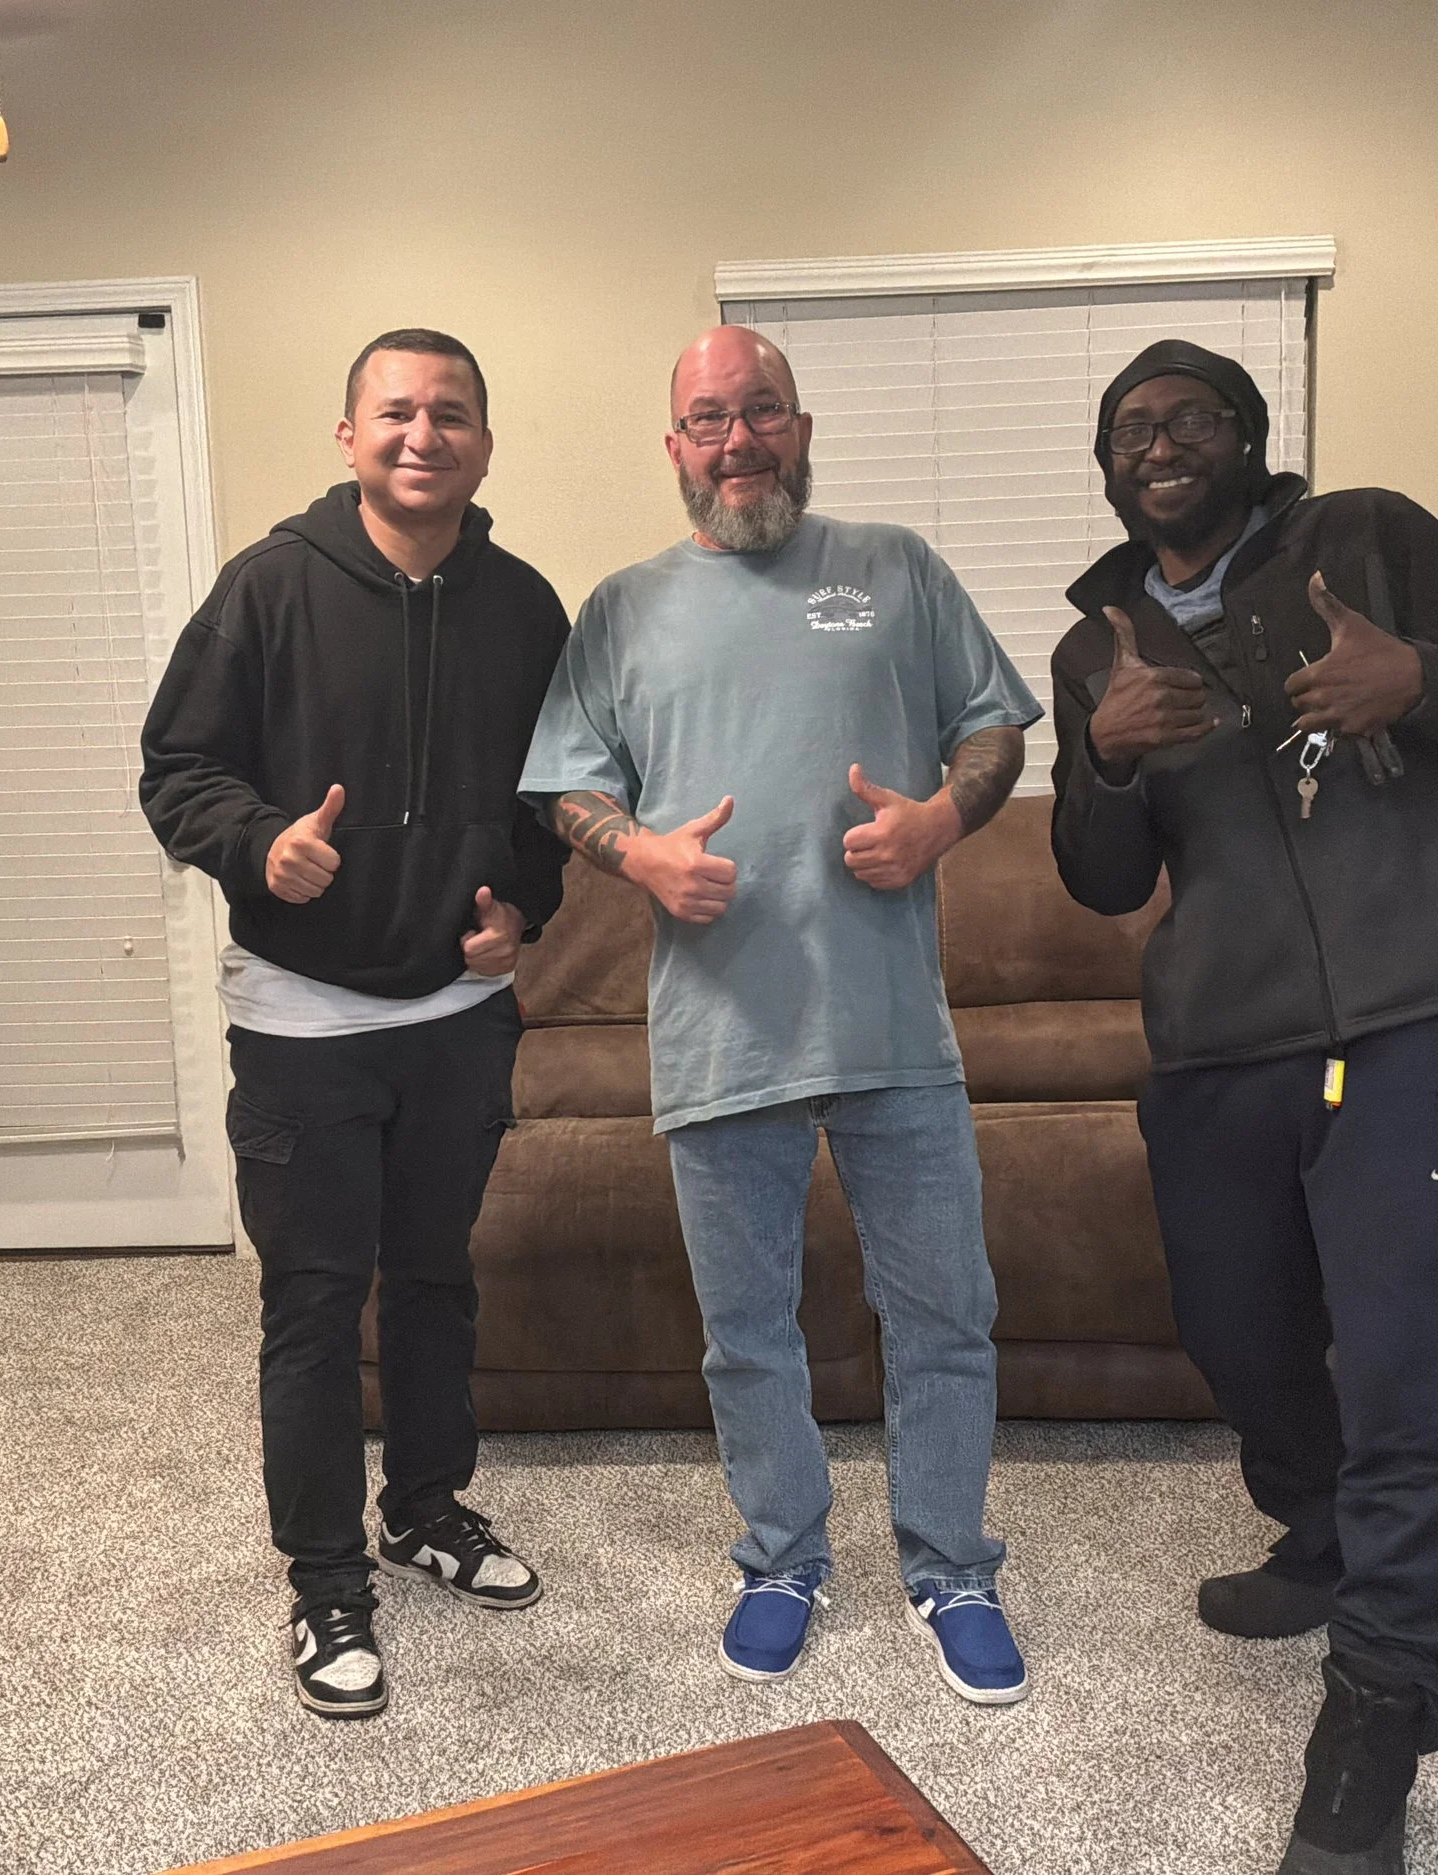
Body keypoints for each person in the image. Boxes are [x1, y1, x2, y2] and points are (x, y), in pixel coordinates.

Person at [1048, 338, 1438, 1872]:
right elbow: (1102, 880)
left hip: (1406, 1021)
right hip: (1221, 1040)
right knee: (1238, 1330)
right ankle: (1327, 1531)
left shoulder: (1370, 538)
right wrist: (1103, 758)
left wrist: (1419, 678)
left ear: (1249, 436)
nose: (1159, 444)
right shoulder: (1098, 642)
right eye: (1131, 429)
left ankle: (1382, 1700)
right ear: (1107, 467)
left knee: (1412, 1363)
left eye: (1189, 418)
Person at [520, 326, 1041, 1705]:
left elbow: (995, 725)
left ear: (800, 428)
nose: (737, 440)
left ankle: (952, 1564)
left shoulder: (895, 568)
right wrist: (640, 855)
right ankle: (780, 1556)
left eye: (761, 412)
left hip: (891, 1027)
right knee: (747, 1324)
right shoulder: (622, 608)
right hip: (721, 1027)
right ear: (675, 447)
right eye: (709, 419)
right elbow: (568, 782)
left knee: (945, 1312)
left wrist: (939, 821)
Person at [139, 328, 570, 1720]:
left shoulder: (525, 606)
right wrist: (259, 844)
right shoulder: (267, 588)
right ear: (349, 436)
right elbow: (177, 767)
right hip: (301, 1022)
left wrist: (528, 911)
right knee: (316, 1305)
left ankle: (427, 1509)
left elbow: (556, 794)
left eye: (451, 414)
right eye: (395, 412)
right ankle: (326, 1579)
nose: (421, 435)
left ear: (484, 443)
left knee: (435, 1278)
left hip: (460, 1012)